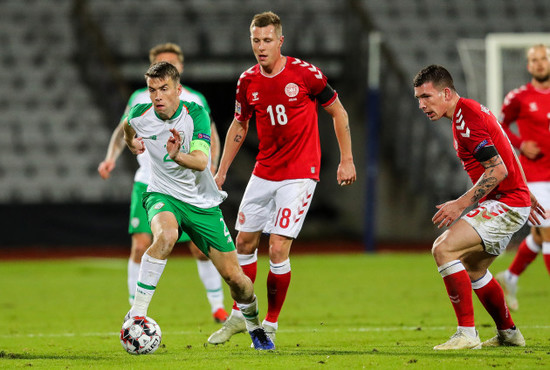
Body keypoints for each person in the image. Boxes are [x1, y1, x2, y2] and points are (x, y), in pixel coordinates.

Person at [207, 11, 356, 347]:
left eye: (267, 40)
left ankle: (270, 324)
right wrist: (221, 171)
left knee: (276, 247)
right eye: (256, 40)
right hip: (264, 170)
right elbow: (240, 125)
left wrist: (346, 159)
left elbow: (338, 111)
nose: (261, 47)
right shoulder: (247, 81)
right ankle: (239, 314)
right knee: (243, 243)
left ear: (280, 41)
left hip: (300, 173)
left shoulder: (305, 74)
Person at [122, 61, 274, 350]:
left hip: (201, 202)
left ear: (178, 90)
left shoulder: (196, 114)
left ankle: (253, 325)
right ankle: (137, 314)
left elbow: (202, 161)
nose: (157, 96)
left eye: (164, 89)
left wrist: (178, 155)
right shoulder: (140, 114)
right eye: (152, 89)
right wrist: (133, 144)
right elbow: (128, 128)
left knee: (237, 280)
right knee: (165, 235)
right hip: (162, 195)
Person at [413, 64, 545, 350]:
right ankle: (509, 333)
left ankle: (466, 334)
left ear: (446, 92)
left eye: (427, 96)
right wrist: (526, 189)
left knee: (443, 248)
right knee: (473, 267)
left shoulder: (466, 118)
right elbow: (506, 146)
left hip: (506, 203)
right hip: (513, 199)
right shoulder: (470, 111)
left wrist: (459, 204)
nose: (422, 105)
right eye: (418, 99)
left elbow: (496, 171)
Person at [98, 43, 228, 324]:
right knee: (141, 243)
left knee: (199, 248)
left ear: (179, 70)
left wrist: (213, 166)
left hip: (188, 185)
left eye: (170, 64)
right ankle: (135, 312)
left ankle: (217, 306)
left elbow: (212, 136)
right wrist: (111, 158)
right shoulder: (139, 99)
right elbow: (124, 129)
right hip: (149, 182)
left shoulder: (195, 101)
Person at [495, 44, 550, 312]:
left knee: (541, 237)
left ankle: (511, 276)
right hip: (536, 175)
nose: (540, 64)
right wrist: (520, 143)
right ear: (529, 66)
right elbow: (500, 126)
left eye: (544, 59)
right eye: (534, 60)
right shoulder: (518, 97)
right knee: (549, 232)